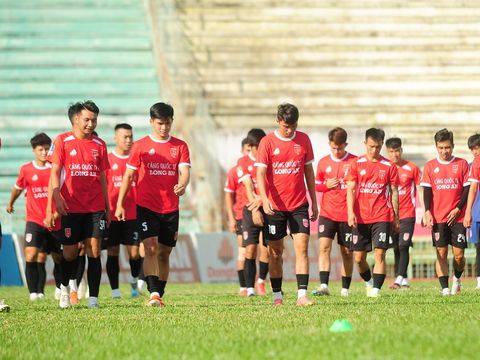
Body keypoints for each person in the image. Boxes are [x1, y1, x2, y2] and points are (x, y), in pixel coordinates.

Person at [116, 102, 191, 307]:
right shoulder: (140, 146)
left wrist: (182, 185)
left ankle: (160, 292)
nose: (164, 127)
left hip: (170, 208)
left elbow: (184, 171)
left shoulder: (180, 146)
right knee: (149, 248)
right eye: (159, 123)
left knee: (164, 253)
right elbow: (129, 175)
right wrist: (120, 204)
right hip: (146, 206)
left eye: (167, 123)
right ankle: (153, 293)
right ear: (151, 122)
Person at [45, 100, 110, 309]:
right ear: (76, 119)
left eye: (94, 119)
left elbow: (102, 178)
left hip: (95, 207)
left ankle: (93, 300)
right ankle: (64, 288)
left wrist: (107, 208)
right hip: (71, 205)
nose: (91, 124)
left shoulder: (100, 145)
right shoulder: (62, 141)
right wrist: (56, 198)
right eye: (87, 119)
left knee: (94, 249)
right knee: (70, 253)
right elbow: (54, 172)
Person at [255, 103, 318, 306]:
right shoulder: (267, 142)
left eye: (293, 126)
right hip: (274, 207)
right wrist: (264, 200)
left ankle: (302, 296)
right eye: (285, 126)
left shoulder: (304, 140)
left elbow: (309, 172)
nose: (289, 130)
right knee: (275, 251)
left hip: (299, 204)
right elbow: (260, 174)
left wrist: (314, 202)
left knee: (302, 248)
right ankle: (277, 296)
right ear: (278, 121)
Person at [6, 132, 63, 301]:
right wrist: (10, 203)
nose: (45, 152)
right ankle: (34, 293)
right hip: (34, 220)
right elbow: (17, 188)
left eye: (47, 149)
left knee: (57, 257)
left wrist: (55, 213)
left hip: (54, 219)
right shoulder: (26, 169)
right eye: (41, 149)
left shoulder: (56, 169)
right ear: (34, 150)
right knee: (31, 254)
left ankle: (60, 287)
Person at [346, 128, 399, 297]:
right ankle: (369, 283)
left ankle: (376, 290)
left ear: (382, 144)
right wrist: (350, 212)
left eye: (377, 146)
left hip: (381, 216)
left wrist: (396, 217)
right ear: (365, 144)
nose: (374, 150)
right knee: (359, 259)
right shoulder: (356, 163)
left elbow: (394, 192)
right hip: (360, 217)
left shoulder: (388, 166)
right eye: (371, 146)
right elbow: (350, 190)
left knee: (380, 253)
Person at [421, 128, 469, 296]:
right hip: (439, 216)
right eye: (441, 148)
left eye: (447, 147)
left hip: (458, 217)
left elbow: (467, 190)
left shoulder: (462, 164)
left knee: (459, 255)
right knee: (441, 252)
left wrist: (458, 209)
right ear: (436, 147)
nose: (444, 151)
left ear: (453, 146)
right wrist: (427, 211)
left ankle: (457, 278)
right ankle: (445, 288)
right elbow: (426, 191)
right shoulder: (430, 166)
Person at [312, 127, 355, 297]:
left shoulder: (354, 161)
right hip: (327, 213)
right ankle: (324, 286)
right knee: (324, 247)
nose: (337, 151)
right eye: (334, 147)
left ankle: (345, 289)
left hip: (346, 214)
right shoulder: (323, 162)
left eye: (340, 148)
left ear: (346, 144)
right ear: (329, 144)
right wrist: (325, 185)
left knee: (346, 252)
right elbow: (316, 185)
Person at [104, 123, 141, 299]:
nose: (128, 140)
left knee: (134, 253)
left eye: (131, 137)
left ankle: (134, 280)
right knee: (112, 252)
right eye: (125, 137)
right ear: (115, 138)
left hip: (133, 213)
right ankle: (115, 291)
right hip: (112, 214)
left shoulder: (136, 160)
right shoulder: (108, 160)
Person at [385, 137, 421, 290]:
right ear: (387, 152)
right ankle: (404, 278)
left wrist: (425, 210)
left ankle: (398, 279)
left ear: (401, 150)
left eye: (397, 150)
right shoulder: (384, 168)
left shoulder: (412, 167)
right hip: (390, 214)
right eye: (391, 151)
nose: (395, 154)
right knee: (397, 247)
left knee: (404, 245)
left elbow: (419, 188)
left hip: (408, 213)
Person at [238, 129, 269, 296]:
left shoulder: (267, 160)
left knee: (267, 249)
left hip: (268, 207)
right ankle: (249, 288)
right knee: (250, 249)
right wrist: (256, 208)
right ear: (251, 147)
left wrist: (264, 201)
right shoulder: (242, 162)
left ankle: (261, 282)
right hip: (250, 209)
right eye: (259, 146)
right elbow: (248, 186)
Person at [224, 138, 249, 295]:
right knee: (243, 251)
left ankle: (258, 284)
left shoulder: (261, 169)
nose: (249, 153)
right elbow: (229, 195)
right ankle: (243, 287)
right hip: (241, 215)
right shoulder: (235, 171)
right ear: (242, 151)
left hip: (260, 214)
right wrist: (231, 218)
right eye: (247, 150)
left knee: (264, 251)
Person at [463, 133, 480, 289]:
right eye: (472, 149)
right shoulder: (470, 166)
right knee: (478, 247)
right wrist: (467, 212)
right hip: (477, 212)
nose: (475, 151)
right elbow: (470, 189)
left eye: (477, 147)